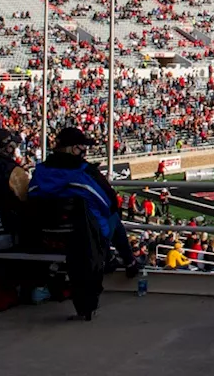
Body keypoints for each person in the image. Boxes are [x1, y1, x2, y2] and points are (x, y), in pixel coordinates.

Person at [29, 127, 137, 321]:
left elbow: (32, 198)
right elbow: (110, 203)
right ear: (72, 149)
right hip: (83, 239)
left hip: (46, 235)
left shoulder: (40, 172)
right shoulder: (84, 173)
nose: (84, 151)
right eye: (81, 147)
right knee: (113, 218)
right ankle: (129, 261)